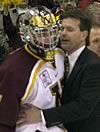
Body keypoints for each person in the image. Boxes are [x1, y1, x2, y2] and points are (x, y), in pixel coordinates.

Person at [18, 9, 100, 132]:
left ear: (84, 35)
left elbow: (83, 107)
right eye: (61, 29)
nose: (63, 34)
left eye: (70, 30)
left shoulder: (93, 65)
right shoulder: (60, 55)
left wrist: (41, 115)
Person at [0, 6, 65, 132]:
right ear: (27, 34)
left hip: (57, 123)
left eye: (52, 31)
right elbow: (4, 120)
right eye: (43, 33)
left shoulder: (61, 54)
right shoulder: (12, 69)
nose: (49, 38)